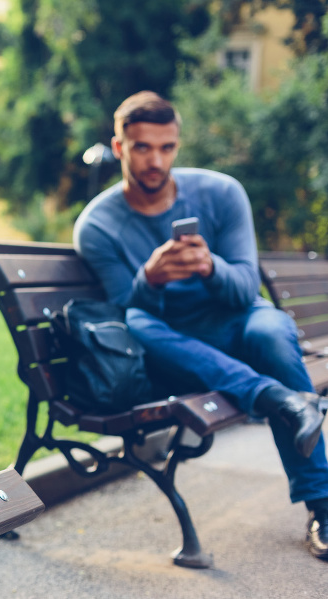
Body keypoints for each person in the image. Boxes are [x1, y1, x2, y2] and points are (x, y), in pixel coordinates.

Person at [73, 91, 328, 562]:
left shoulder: (221, 192)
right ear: (118, 145)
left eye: (166, 147)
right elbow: (126, 315)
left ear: (177, 144)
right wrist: (149, 278)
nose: (155, 160)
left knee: (270, 333)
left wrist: (210, 267)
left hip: (240, 320)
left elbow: (245, 287)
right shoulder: (98, 225)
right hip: (177, 348)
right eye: (142, 147)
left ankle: (323, 505)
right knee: (139, 320)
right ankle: (286, 401)